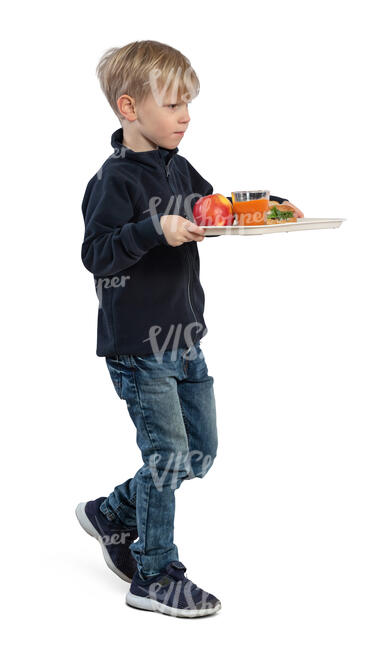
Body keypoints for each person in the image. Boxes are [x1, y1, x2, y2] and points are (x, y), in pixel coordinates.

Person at [76, 40, 302, 618]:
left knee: (198, 453)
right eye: (174, 104)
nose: (186, 116)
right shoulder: (114, 181)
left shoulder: (178, 166)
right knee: (168, 456)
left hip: (185, 338)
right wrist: (155, 229)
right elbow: (97, 254)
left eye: (188, 104)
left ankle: (112, 512)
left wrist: (259, 209)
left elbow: (210, 206)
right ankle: (153, 573)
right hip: (138, 346)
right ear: (129, 108)